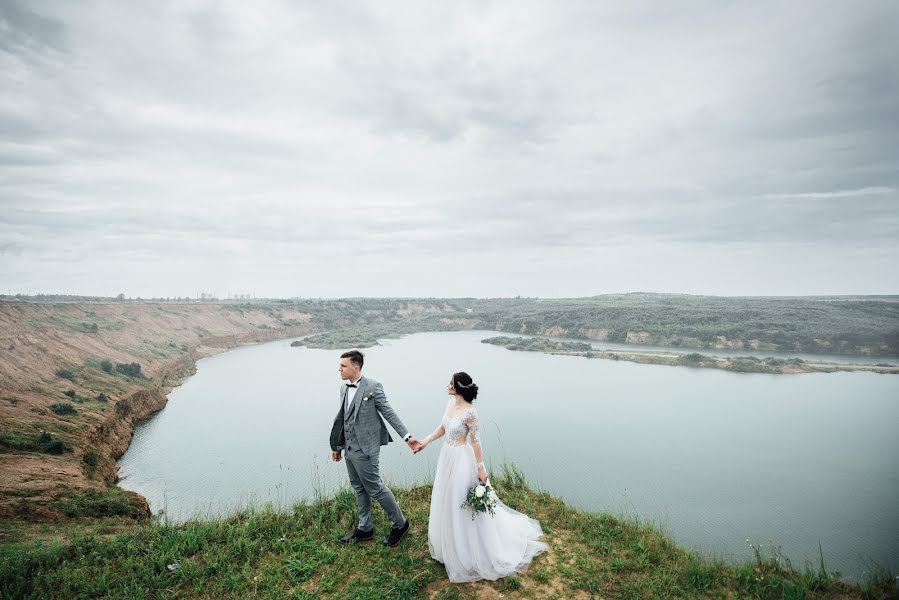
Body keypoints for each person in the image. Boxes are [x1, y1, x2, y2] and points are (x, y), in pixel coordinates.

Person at [412, 372, 547, 582]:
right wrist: (426, 441)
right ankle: (448, 545)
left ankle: (466, 550)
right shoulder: (449, 405)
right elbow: (443, 427)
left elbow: (476, 441)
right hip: (446, 456)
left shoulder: (470, 413)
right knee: (446, 499)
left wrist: (481, 468)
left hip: (461, 460)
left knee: (461, 503)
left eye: (451, 382)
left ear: (459, 387)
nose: (447, 384)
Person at [329, 350, 419, 547]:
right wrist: (338, 446)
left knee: (376, 488)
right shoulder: (344, 389)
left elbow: (388, 412)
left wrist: (407, 437)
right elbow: (343, 418)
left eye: (343, 366)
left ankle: (400, 524)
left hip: (366, 449)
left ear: (356, 367)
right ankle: (365, 528)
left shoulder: (373, 387)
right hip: (349, 448)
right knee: (358, 488)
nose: (339, 369)